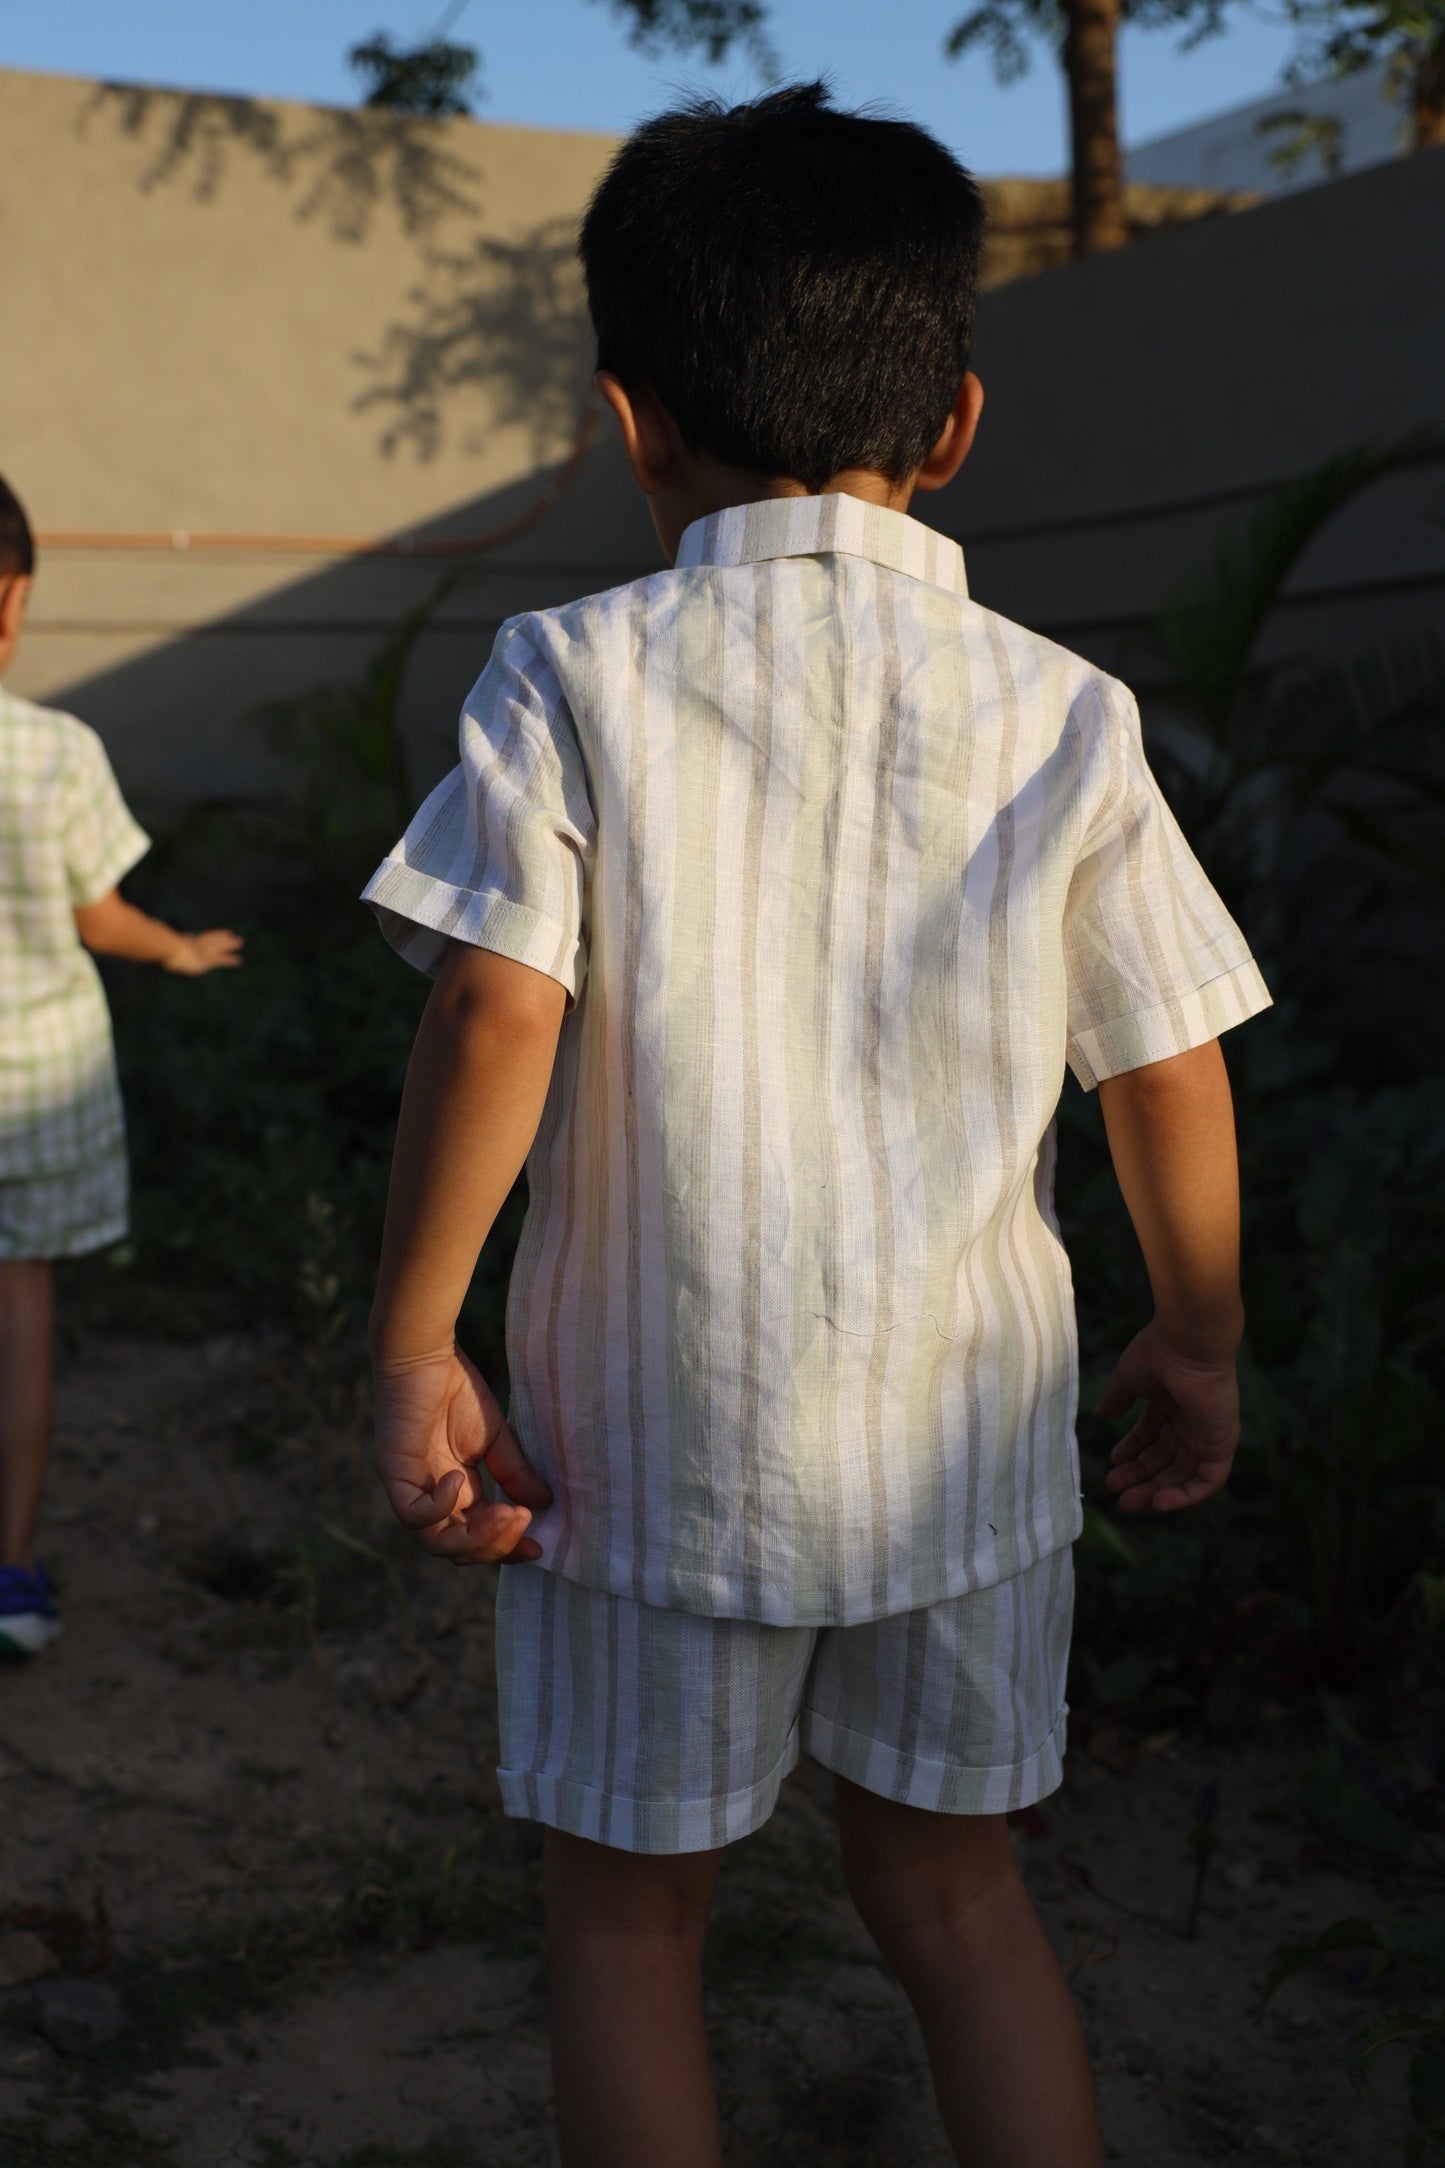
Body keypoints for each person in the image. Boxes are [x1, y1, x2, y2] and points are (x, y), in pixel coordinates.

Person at [363, 84, 1271, 2168]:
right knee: (955, 1901)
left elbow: (499, 999)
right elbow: (1162, 1063)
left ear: (626, 419)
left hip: (641, 1454)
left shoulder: (565, 670)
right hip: (961, 1456)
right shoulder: (1059, 708)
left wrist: (415, 1339)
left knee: (623, 1929)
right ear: (949, 423)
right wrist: (1195, 1340)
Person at [0, 476, 242, 1658]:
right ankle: (13, 1571)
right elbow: (101, 917)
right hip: (36, 1090)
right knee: (23, 1325)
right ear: (15, 599)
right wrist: (181, 949)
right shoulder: (55, 753)